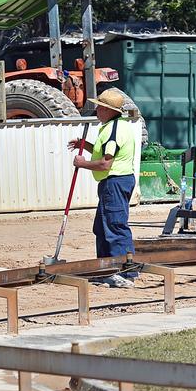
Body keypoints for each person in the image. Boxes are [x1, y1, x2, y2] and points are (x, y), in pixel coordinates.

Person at [68, 89, 137, 288]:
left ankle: (124, 272)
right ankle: (105, 268)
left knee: (115, 226)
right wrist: (86, 145)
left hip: (114, 181)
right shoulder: (113, 127)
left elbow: (105, 163)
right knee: (101, 227)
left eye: (100, 107)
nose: (96, 110)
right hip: (112, 182)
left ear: (108, 110)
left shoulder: (113, 130)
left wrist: (82, 163)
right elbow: (105, 151)